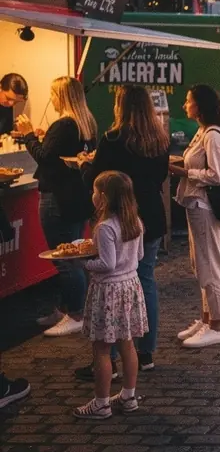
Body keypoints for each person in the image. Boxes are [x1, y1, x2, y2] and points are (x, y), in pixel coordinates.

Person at [78, 85, 169, 376]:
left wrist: (83, 166)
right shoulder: (159, 139)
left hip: (119, 216)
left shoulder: (114, 138)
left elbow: (97, 177)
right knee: (145, 278)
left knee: (113, 280)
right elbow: (161, 176)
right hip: (151, 215)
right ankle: (146, 353)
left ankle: (110, 357)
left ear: (121, 105)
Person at [15, 77, 97, 337]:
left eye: (52, 94)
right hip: (77, 196)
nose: (50, 99)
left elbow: (44, 158)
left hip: (57, 198)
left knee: (65, 258)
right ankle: (66, 308)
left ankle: (75, 314)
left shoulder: (63, 124)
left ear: (62, 96)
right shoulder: (87, 123)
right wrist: (42, 138)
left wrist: (28, 134)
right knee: (74, 252)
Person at [73, 170, 147, 419]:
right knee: (128, 345)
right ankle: (128, 396)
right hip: (130, 286)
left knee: (102, 349)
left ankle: (101, 403)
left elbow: (107, 263)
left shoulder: (105, 227)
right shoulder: (135, 221)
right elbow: (139, 257)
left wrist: (84, 263)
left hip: (109, 291)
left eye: (95, 191)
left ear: (103, 197)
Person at [169, 84, 220, 348]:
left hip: (206, 206)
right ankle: (207, 319)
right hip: (196, 205)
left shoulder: (213, 135)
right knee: (201, 265)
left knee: (211, 265)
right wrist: (181, 163)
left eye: (188, 101)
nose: (185, 106)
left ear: (200, 105)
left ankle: (217, 326)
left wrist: (185, 173)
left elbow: (218, 175)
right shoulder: (203, 132)